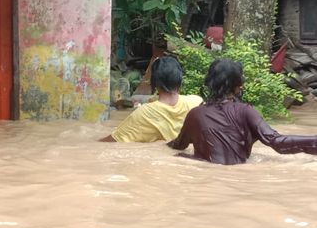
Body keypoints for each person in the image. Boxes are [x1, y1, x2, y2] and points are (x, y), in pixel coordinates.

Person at [168, 58, 317, 165]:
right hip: (239, 176)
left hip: (205, 178)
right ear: (238, 86)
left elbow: (178, 145)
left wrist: (162, 146)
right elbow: (277, 141)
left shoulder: (195, 114)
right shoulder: (246, 111)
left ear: (208, 83)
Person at [100, 56, 202, 142]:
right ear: (180, 80)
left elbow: (110, 141)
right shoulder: (196, 103)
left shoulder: (144, 113)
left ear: (154, 83)